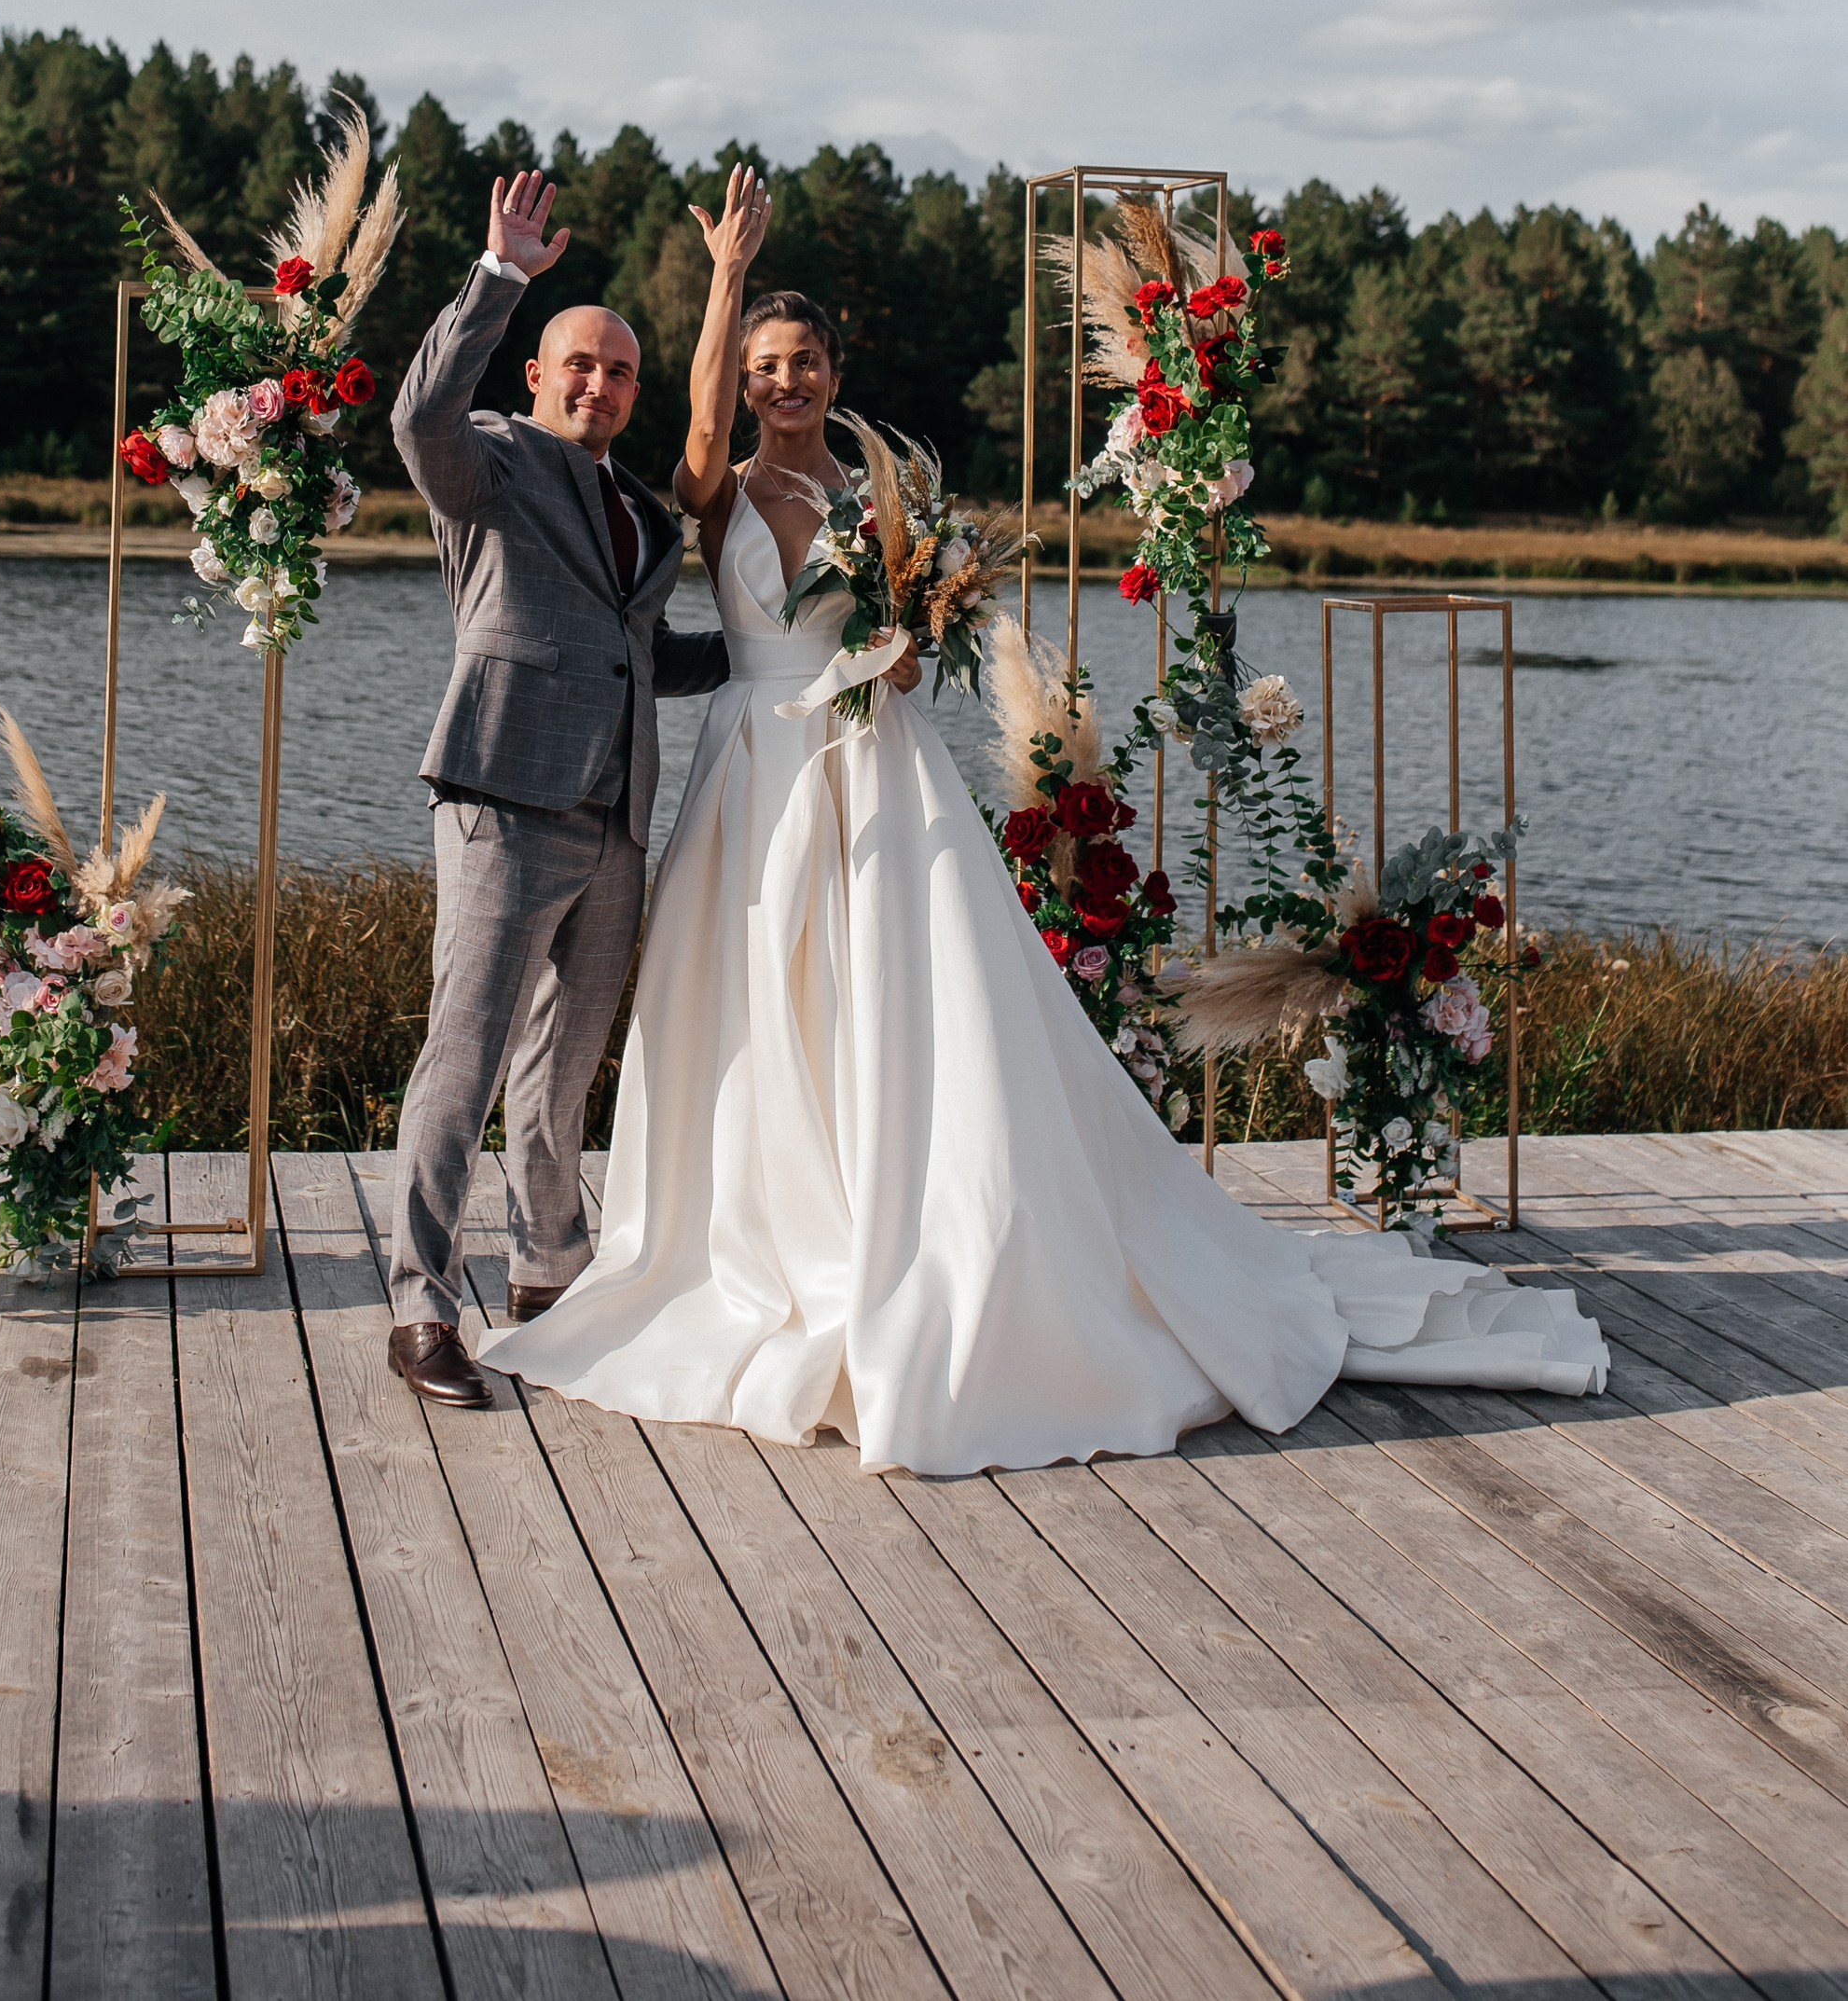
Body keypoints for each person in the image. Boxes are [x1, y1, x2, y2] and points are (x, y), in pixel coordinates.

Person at [483, 167, 1606, 1474]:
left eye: (803, 363)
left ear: (835, 375)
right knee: (743, 1011)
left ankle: (920, 1239)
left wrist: (908, 643)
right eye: (763, 365)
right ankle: (760, 1235)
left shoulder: (880, 499)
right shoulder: (715, 489)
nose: (782, 383)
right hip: (752, 779)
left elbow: (906, 642)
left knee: (896, 1005)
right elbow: (694, 422)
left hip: (870, 769)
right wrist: (726, 274)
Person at [383, 171, 731, 1407]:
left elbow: (649, 658)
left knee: (562, 1068)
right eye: (577, 363)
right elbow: (417, 412)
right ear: (535, 374)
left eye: (620, 372)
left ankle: (547, 1278)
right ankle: (421, 1306)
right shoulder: (484, 464)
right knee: (463, 1060)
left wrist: (794, 644)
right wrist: (500, 276)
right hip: (501, 795)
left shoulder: (644, 512)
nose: (597, 383)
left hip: (614, 818)